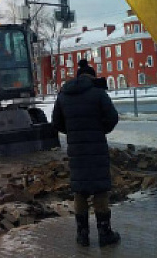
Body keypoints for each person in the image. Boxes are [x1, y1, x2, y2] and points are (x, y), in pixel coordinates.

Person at [52, 59, 121, 247]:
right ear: (92, 76)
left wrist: (73, 133)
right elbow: (113, 117)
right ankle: (104, 233)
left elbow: (56, 122)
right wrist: (100, 130)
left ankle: (82, 235)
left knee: (80, 190)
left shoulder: (63, 95)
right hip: (96, 148)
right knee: (100, 189)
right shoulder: (98, 93)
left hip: (76, 149)